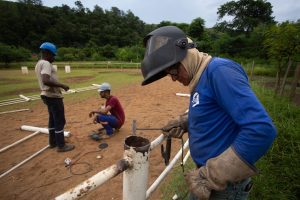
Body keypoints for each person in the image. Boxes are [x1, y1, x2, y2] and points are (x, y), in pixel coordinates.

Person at [140, 26, 276, 200]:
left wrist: (211, 175)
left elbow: (261, 130)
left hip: (224, 185)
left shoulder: (219, 72)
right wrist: (185, 122)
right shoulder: (200, 77)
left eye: (173, 70)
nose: (173, 78)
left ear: (187, 55)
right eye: (169, 74)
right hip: (205, 177)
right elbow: (215, 112)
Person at [35, 42, 75, 152]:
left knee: (52, 120)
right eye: (53, 55)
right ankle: (61, 146)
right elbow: (46, 80)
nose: (54, 57)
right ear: (47, 53)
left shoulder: (39, 63)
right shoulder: (46, 64)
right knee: (59, 121)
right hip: (53, 96)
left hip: (46, 95)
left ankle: (53, 142)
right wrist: (62, 85)